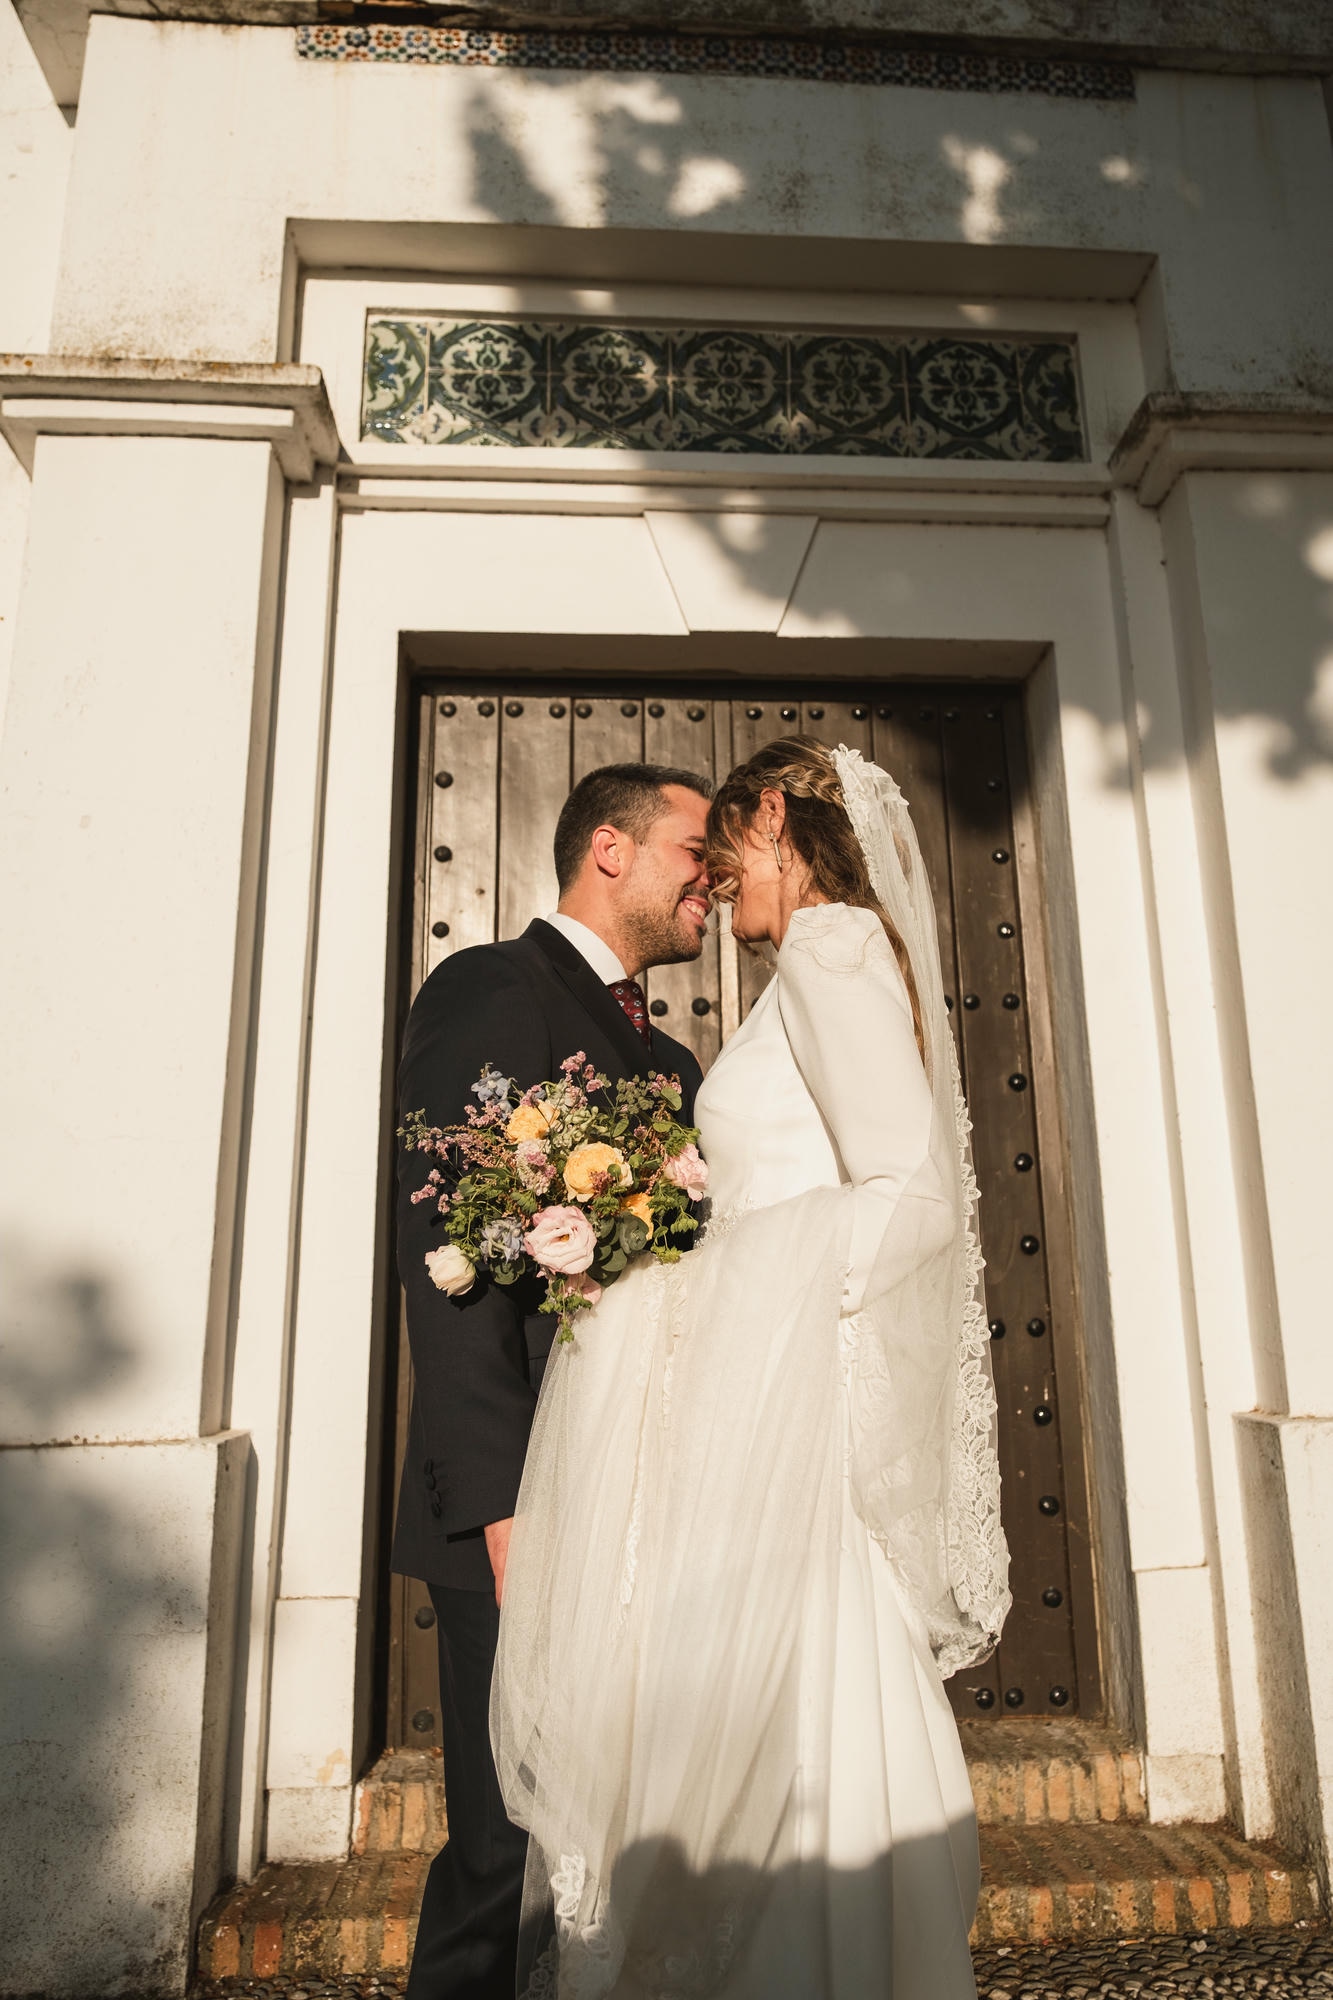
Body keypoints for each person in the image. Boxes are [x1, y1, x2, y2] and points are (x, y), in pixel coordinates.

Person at [492, 737, 1011, 2000]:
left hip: (780, 1409)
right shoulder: (814, 965)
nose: (717, 888)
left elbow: (913, 1198)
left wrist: (718, 1289)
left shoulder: (831, 946)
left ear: (772, 811)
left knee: (788, 1727)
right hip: (756, 1416)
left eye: (723, 849)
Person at [395, 762, 714, 2000]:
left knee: (616, 1842)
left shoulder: (678, 1062)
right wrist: (498, 1508)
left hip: (642, 1499)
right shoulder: (492, 987)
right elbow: (452, 1256)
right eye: (694, 845)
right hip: (521, 1502)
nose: (713, 873)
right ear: (609, 850)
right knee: (502, 1851)